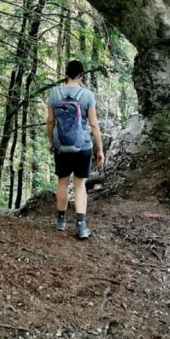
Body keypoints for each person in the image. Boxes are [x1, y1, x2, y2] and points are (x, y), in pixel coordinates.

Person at [47, 59, 104, 239]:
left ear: (65, 73)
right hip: (82, 146)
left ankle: (61, 221)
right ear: (81, 75)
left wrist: (51, 141)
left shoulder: (54, 93)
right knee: (79, 185)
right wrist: (99, 149)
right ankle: (81, 225)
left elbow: (50, 121)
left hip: (61, 146)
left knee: (62, 182)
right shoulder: (87, 95)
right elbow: (94, 125)